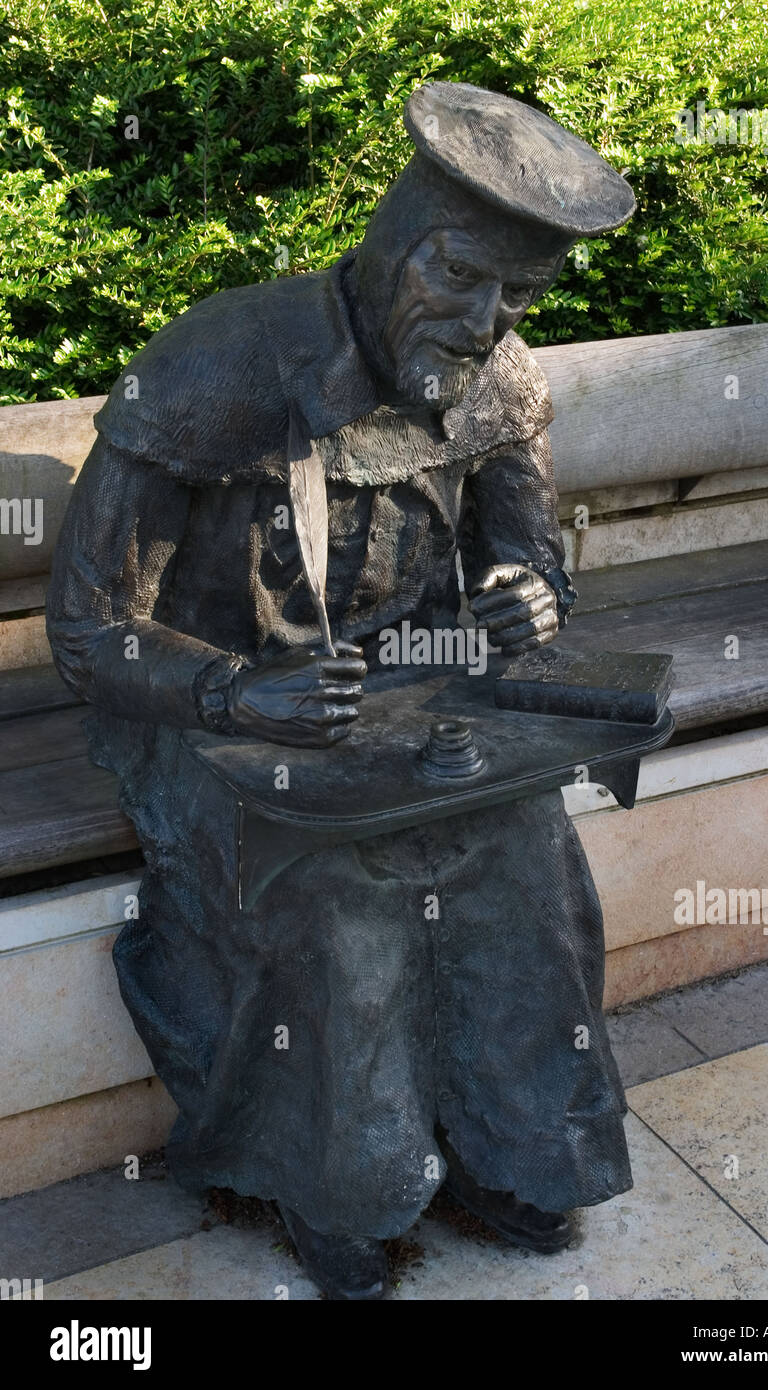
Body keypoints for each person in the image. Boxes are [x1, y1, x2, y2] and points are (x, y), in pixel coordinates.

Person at [46, 81, 637, 1300]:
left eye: (517, 297)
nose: (483, 323)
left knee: (528, 853)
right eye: (460, 278)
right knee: (338, 892)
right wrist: (233, 695)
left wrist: (527, 598)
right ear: (394, 243)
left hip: (408, 694)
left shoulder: (497, 379)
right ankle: (342, 1183)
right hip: (205, 713)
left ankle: (511, 1147)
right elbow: (90, 630)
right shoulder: (214, 365)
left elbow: (532, 558)